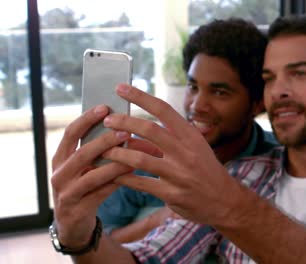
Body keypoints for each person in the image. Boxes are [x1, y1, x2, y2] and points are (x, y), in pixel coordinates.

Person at [50, 16, 306, 263]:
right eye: (269, 77)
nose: (277, 90)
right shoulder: (243, 173)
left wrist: (227, 204)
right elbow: (146, 259)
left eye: (298, 73)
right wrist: (77, 234)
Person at [96, 18, 277, 243]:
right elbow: (95, 242)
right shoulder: (144, 155)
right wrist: (158, 219)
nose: (196, 106)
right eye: (193, 87)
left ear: (258, 103)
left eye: (220, 92)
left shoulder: (279, 164)